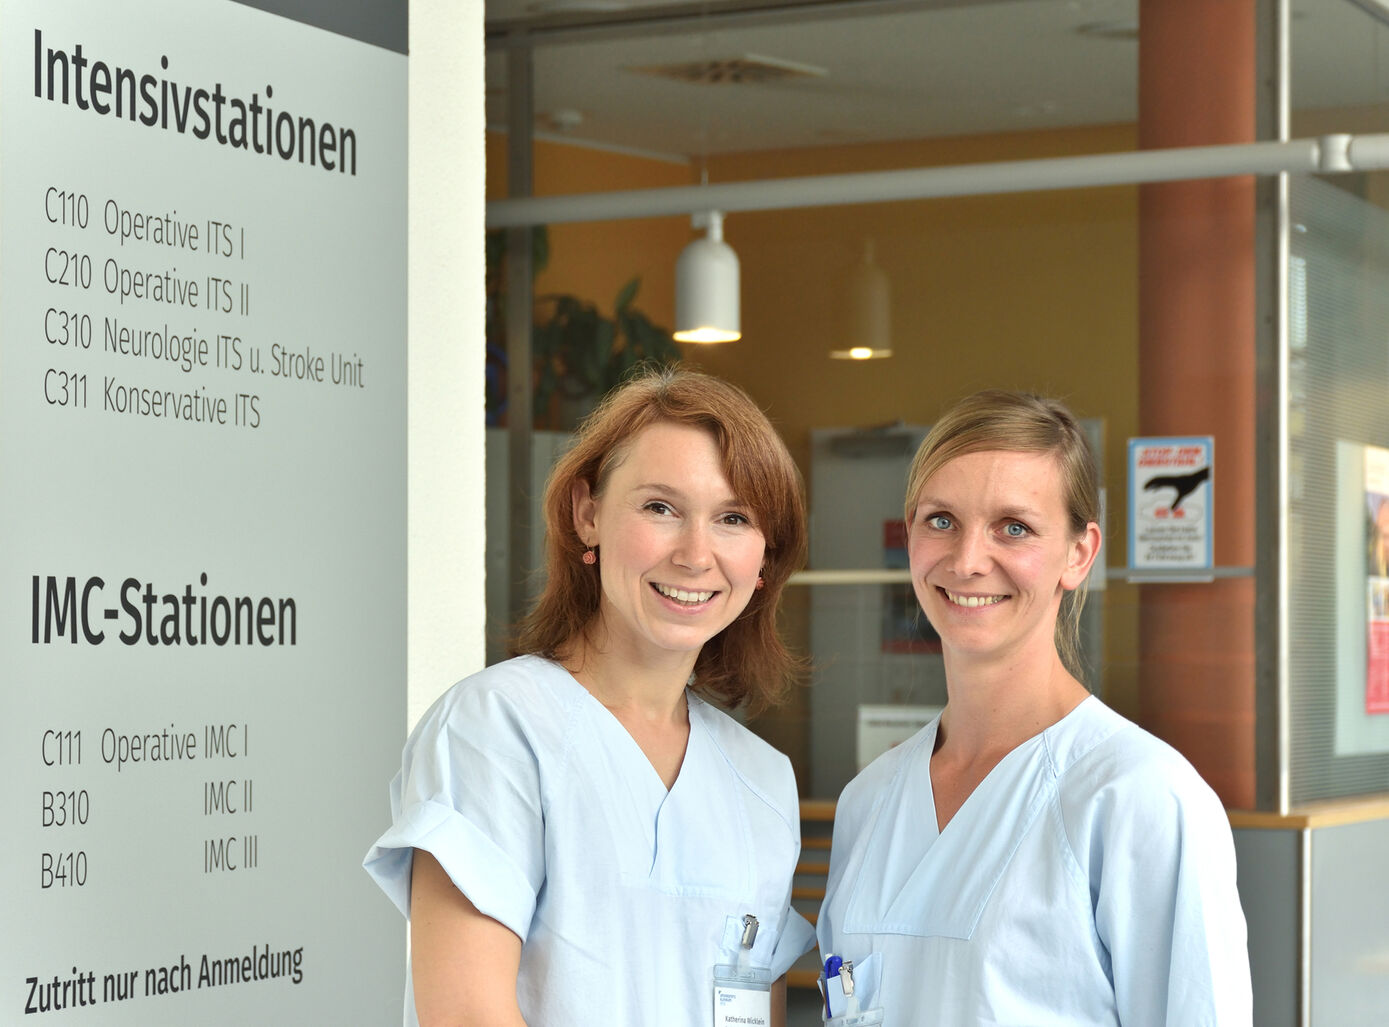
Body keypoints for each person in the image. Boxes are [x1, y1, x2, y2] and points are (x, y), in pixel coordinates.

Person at [364, 367, 815, 1026]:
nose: (696, 553)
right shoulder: (495, 728)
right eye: (660, 507)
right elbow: (465, 1014)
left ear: (764, 556)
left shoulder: (763, 782)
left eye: (732, 518)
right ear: (588, 514)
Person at [816, 389, 1252, 1025]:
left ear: (1079, 553)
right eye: (941, 520)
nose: (967, 561)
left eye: (1013, 528)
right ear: (909, 534)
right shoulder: (869, 803)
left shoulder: (1139, 797)